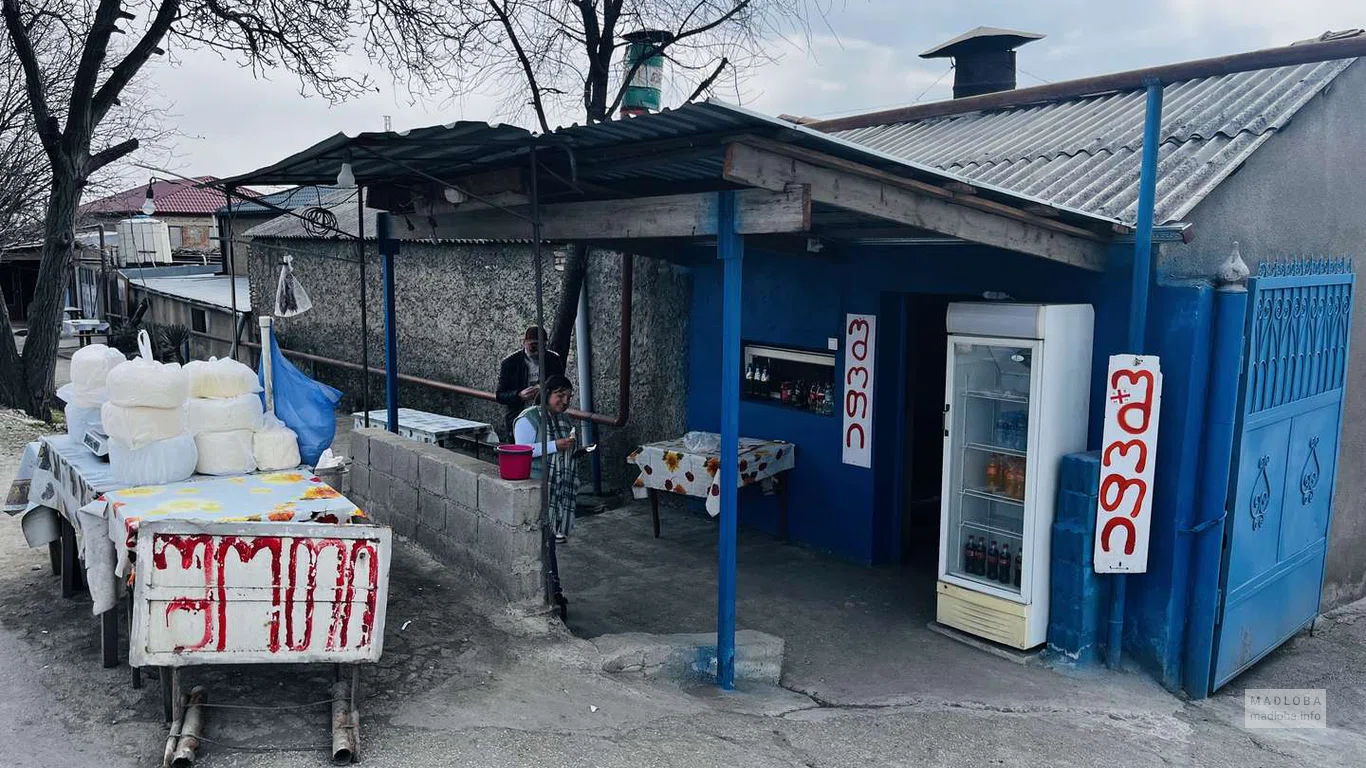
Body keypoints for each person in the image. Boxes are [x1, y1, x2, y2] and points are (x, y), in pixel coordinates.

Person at [513, 374, 582, 542]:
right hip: (537, 479)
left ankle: (557, 528)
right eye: (560, 396)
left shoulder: (563, 418)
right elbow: (522, 450)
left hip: (560, 480)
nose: (565, 401)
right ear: (547, 394)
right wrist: (555, 446)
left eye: (568, 397)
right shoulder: (529, 418)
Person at [496, 325, 565, 441]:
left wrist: (545, 390)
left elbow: (561, 386)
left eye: (542, 346)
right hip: (519, 415)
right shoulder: (510, 363)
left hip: (547, 414)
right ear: (523, 343)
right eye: (533, 346)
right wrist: (519, 395)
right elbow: (500, 395)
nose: (538, 351)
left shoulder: (553, 360)